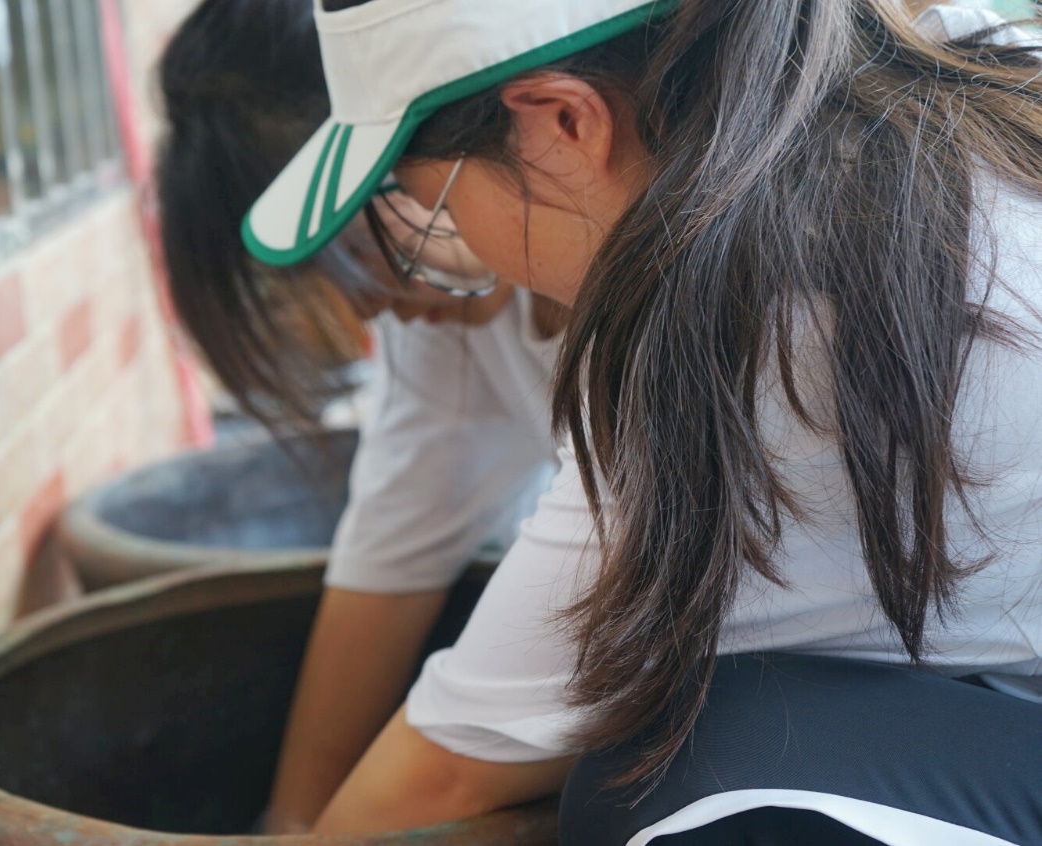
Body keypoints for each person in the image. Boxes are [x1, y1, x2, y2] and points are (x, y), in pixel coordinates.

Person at [241, 0, 1042, 842]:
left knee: (674, 784)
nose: (455, 246)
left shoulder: (756, 334)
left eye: (431, 201)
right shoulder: (958, 68)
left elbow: (449, 768)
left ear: (563, 122)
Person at [154, 0, 569, 832]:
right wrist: (290, 817)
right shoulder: (448, 305)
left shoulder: (686, 293)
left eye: (356, 243)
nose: (366, 307)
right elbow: (393, 550)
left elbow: (459, 760)